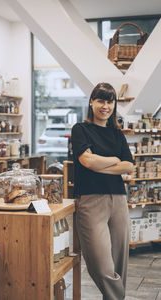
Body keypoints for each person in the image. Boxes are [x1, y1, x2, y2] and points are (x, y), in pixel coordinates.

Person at [71, 82, 134, 300]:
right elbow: (87, 161)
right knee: (100, 263)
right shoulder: (80, 130)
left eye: (109, 101)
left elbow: (129, 166)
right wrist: (115, 160)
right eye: (100, 100)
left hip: (118, 200)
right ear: (91, 102)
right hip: (90, 200)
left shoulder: (118, 135)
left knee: (119, 260)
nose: (105, 106)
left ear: (114, 104)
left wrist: (101, 163)